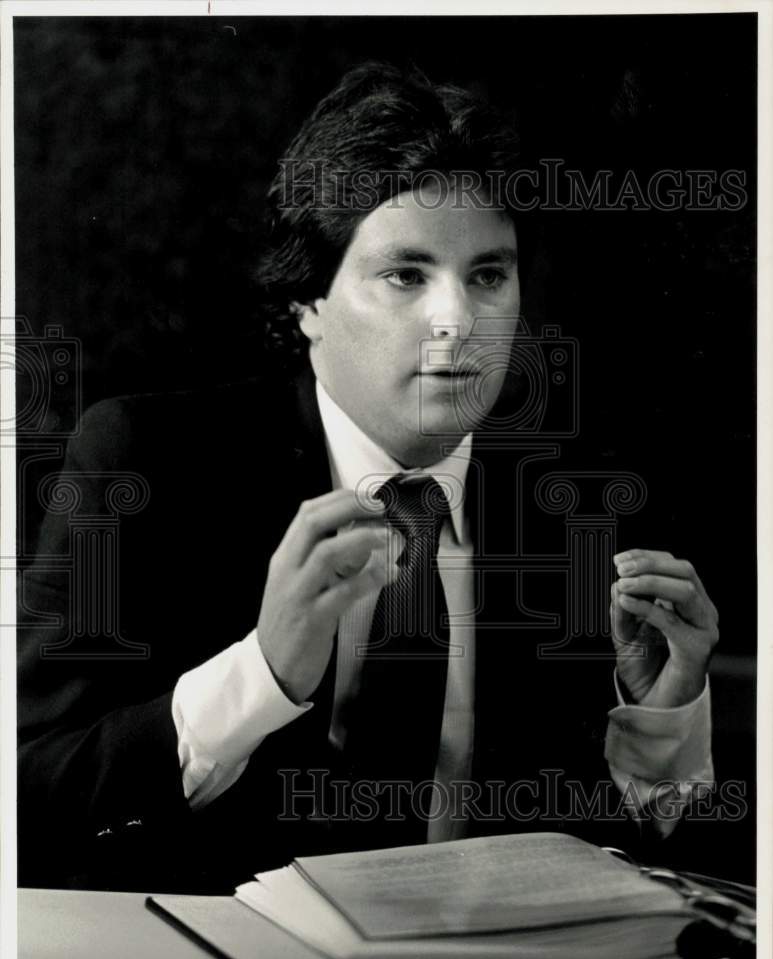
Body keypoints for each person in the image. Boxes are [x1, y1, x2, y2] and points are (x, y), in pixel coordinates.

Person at [17, 62, 718, 893]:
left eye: (487, 275)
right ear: (308, 302)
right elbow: (29, 798)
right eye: (405, 276)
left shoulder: (575, 508)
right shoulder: (144, 461)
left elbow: (627, 870)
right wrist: (263, 673)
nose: (457, 320)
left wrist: (661, 718)